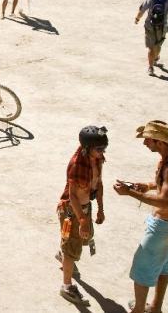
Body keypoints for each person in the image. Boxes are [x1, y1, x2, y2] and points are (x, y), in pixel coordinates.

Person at [113, 120, 168, 313]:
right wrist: (147, 185)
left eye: (148, 140)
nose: (145, 143)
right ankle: (155, 308)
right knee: (163, 267)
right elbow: (165, 186)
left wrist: (129, 193)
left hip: (163, 227)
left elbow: (163, 201)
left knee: (141, 270)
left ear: (159, 142)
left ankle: (138, 310)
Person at [56, 126, 108, 306]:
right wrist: (83, 220)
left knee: (81, 239)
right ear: (87, 148)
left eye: (104, 149)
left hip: (86, 207)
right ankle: (67, 286)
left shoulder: (96, 159)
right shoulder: (77, 164)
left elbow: (99, 184)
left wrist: (100, 208)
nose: (102, 153)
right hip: (72, 211)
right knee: (72, 250)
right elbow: (72, 197)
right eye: (99, 149)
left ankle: (63, 252)